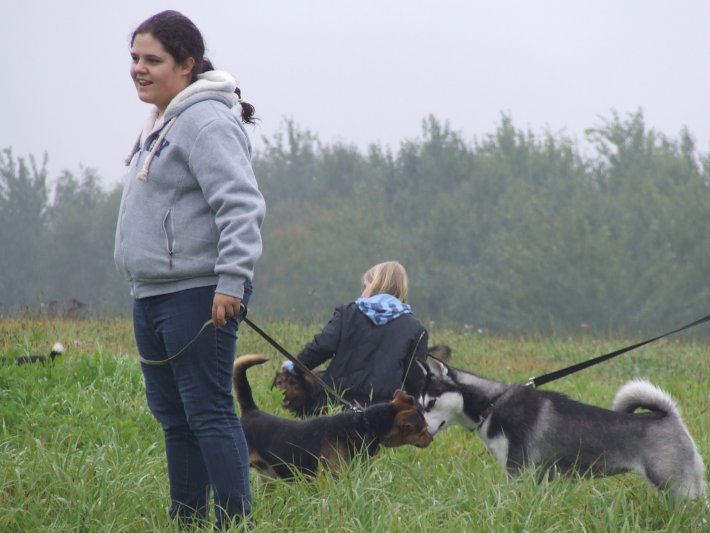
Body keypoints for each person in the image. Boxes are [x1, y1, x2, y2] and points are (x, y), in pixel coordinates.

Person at [113, 10, 265, 528]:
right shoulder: (163, 120)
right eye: (134, 58)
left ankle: (232, 523)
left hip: (198, 294)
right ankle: (187, 521)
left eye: (152, 60)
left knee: (209, 413)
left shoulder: (203, 120)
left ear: (187, 64)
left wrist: (230, 281)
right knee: (175, 420)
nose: (139, 68)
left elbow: (241, 204)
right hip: (151, 294)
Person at [289, 261, 429, 412]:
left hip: (334, 406)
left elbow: (322, 346)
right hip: (381, 414)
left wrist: (296, 366)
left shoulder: (348, 313)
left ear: (376, 285)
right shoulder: (416, 330)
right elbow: (416, 381)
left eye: (365, 286)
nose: (362, 293)